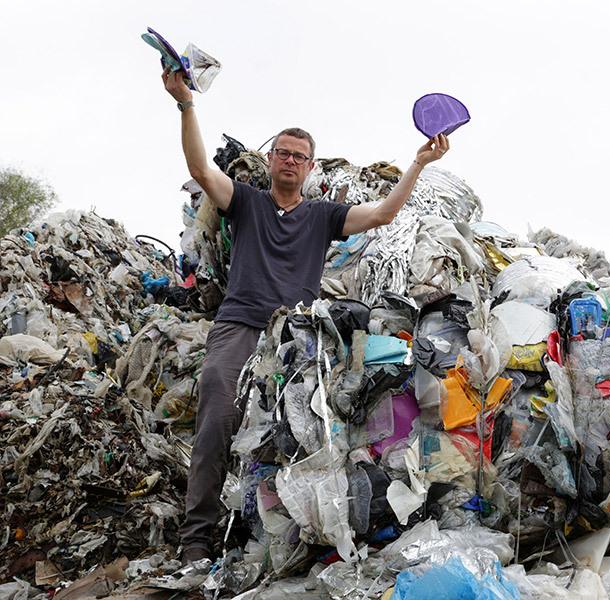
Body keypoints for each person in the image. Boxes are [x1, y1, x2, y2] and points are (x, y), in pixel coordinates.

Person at [161, 67, 450, 563]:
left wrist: (418, 164)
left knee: (297, 434)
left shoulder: (322, 216)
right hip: (239, 326)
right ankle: (196, 538)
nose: (291, 162)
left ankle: (276, 535)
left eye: (300, 156)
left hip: (296, 338)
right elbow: (202, 170)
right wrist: (187, 104)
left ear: (310, 167)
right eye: (284, 153)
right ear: (271, 160)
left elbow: (381, 214)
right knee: (217, 420)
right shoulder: (246, 202)